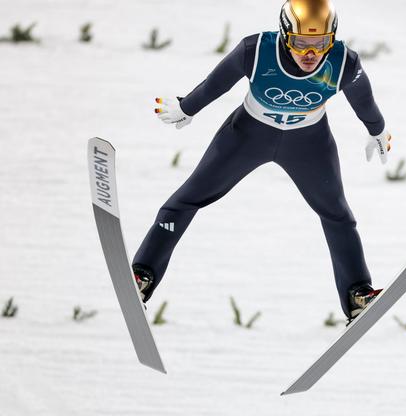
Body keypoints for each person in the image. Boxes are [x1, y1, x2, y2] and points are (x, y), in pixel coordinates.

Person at [132, 0, 391, 322]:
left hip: (308, 144)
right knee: (184, 201)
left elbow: (363, 100)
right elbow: (217, 82)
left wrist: (377, 131)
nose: (310, 55)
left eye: (320, 43)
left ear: (332, 38)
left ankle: (357, 294)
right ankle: (142, 275)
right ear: (284, 35)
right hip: (247, 136)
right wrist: (187, 107)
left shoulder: (343, 62)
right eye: (300, 43)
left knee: (338, 215)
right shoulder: (256, 50)